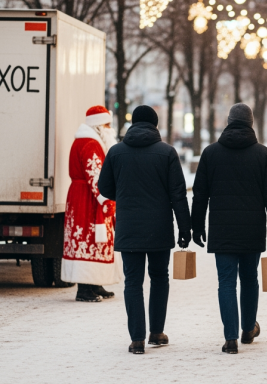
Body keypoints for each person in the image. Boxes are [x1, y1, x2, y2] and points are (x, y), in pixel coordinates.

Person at [191, 103, 267, 354]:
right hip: (252, 229)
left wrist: (196, 226)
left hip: (222, 230)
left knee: (226, 282)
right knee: (250, 279)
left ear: (229, 121)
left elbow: (200, 195)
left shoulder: (211, 153)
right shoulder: (263, 154)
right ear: (251, 123)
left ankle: (230, 338)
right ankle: (247, 329)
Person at [98, 105, 192, 355]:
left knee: (133, 282)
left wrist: (126, 192)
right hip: (159, 227)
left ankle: (137, 338)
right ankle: (156, 333)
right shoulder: (167, 153)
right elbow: (178, 195)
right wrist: (185, 228)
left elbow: (104, 188)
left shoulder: (116, 152)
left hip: (129, 226)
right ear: (155, 124)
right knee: (160, 277)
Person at [62, 106, 120, 302]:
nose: (110, 128)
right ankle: (84, 289)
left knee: (89, 241)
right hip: (87, 200)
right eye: (107, 124)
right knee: (88, 240)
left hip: (82, 196)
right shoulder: (91, 144)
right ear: (99, 125)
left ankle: (94, 284)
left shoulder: (86, 141)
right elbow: (96, 176)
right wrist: (106, 199)